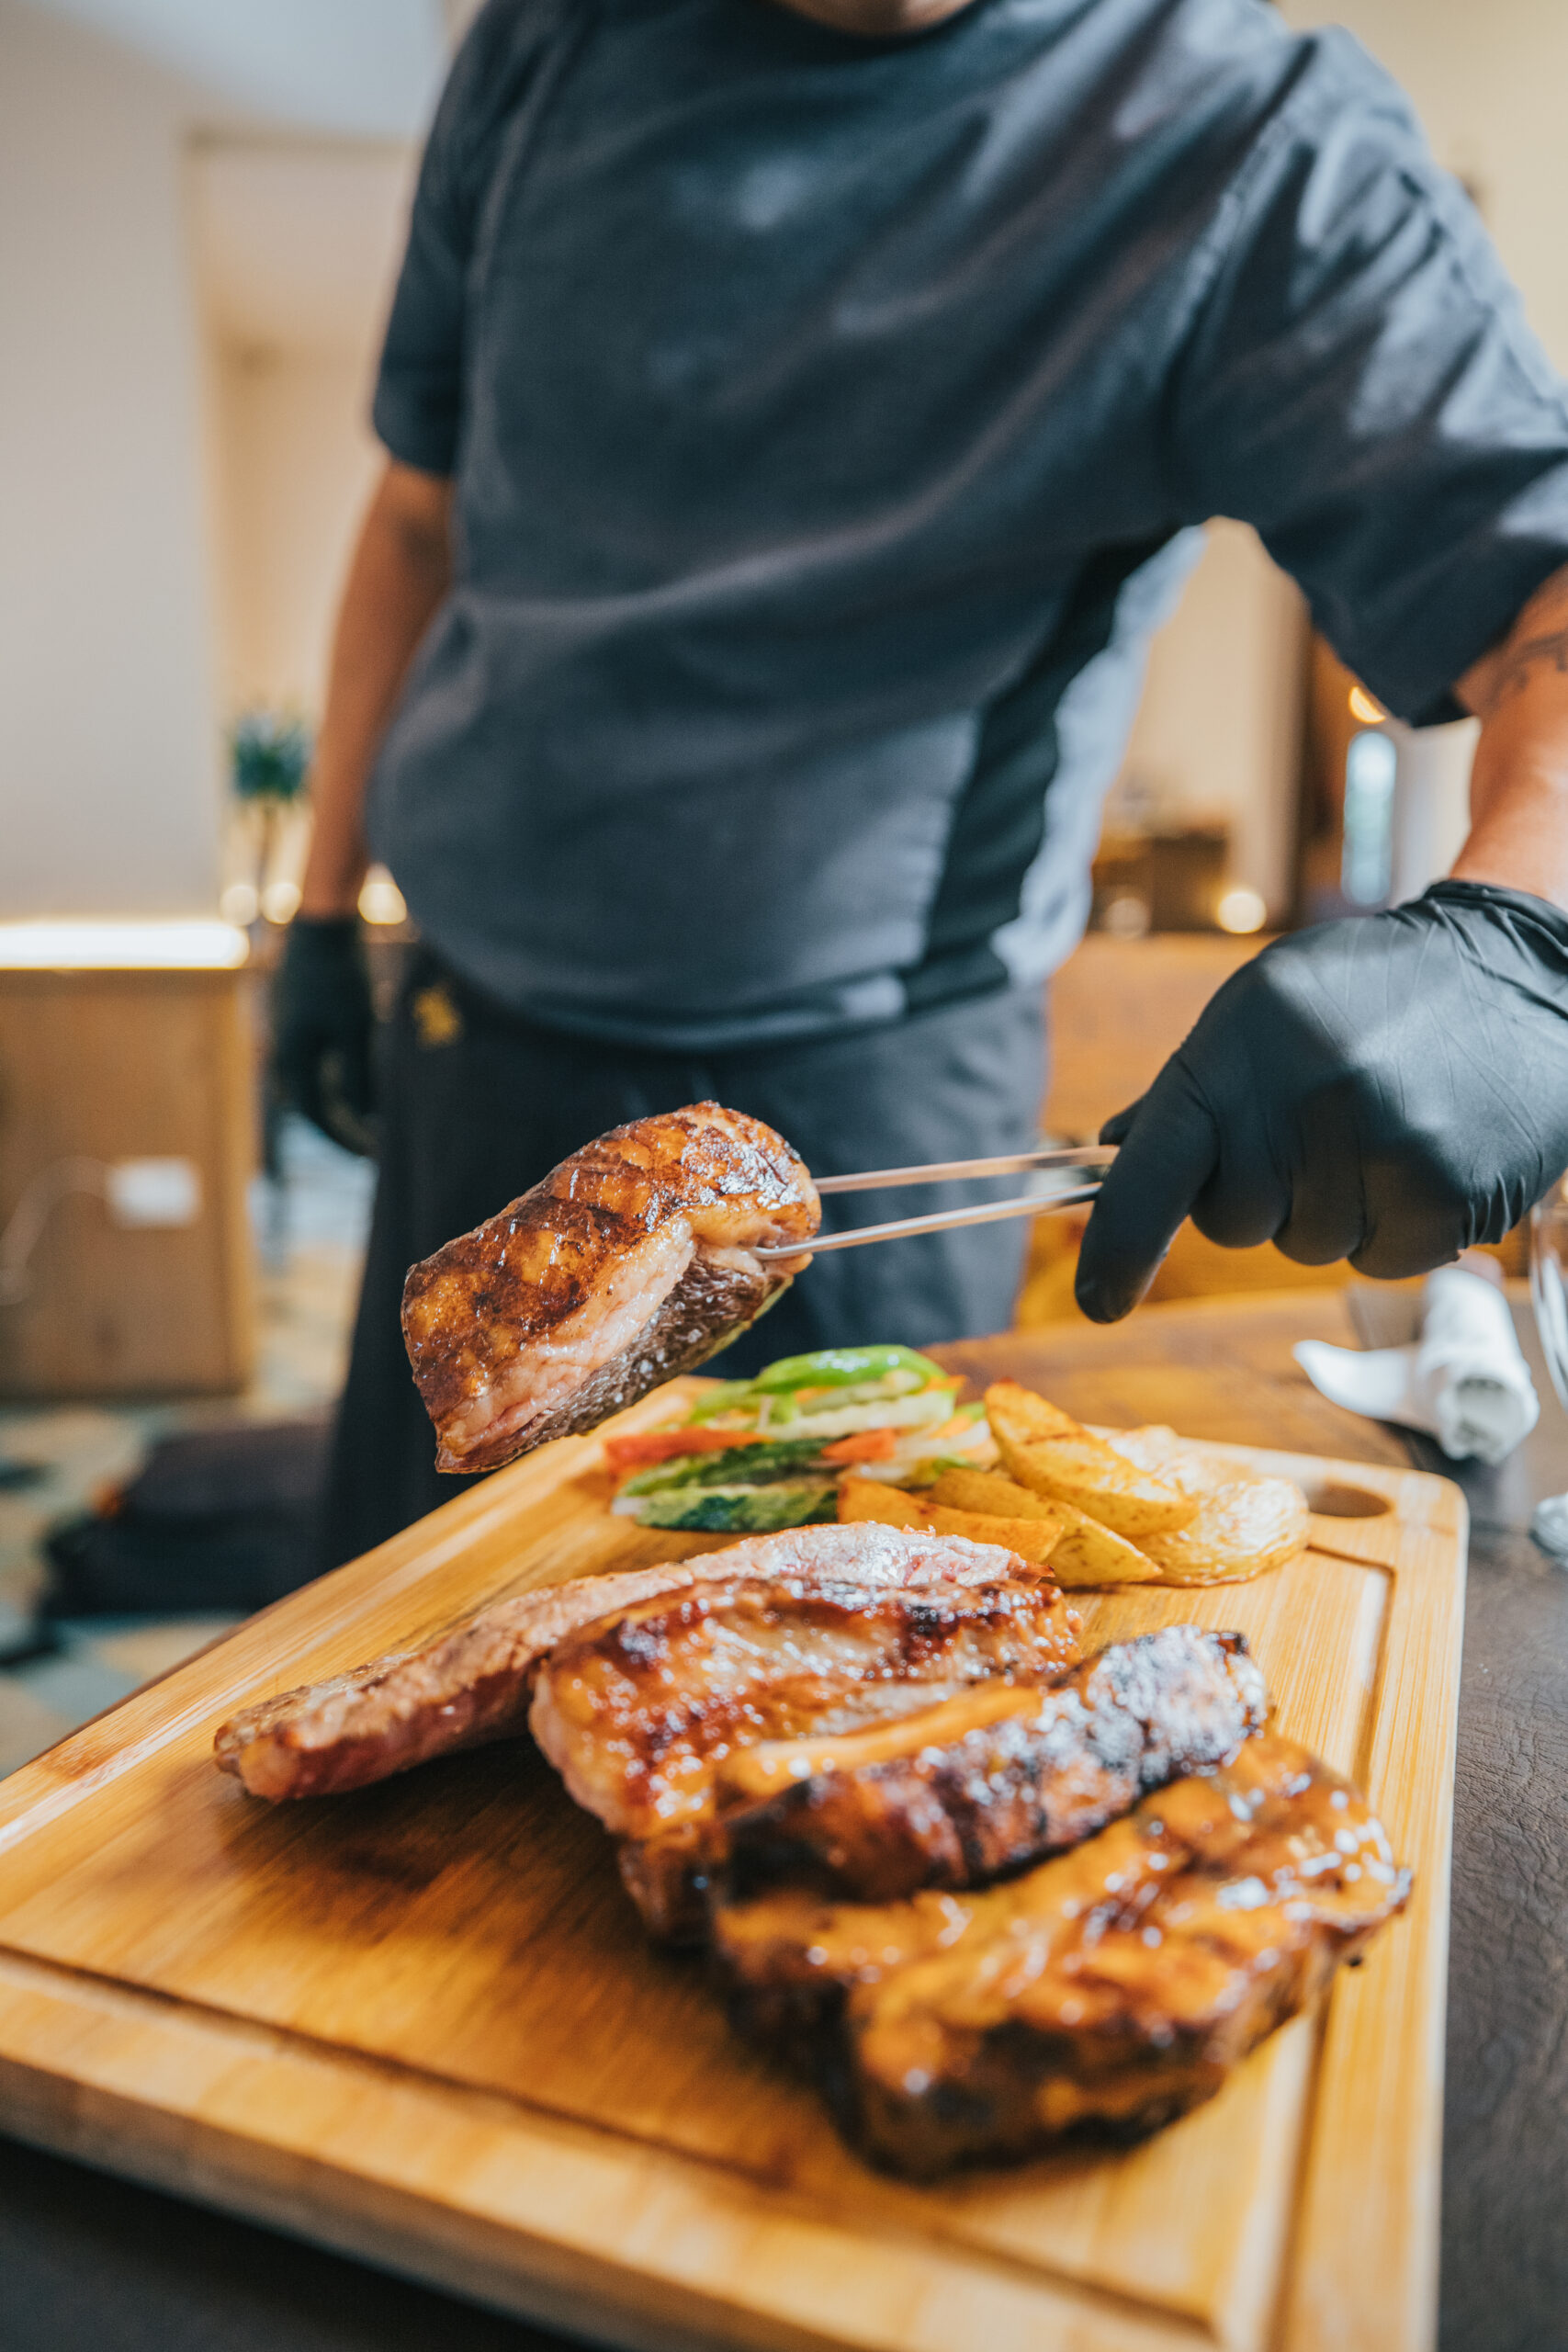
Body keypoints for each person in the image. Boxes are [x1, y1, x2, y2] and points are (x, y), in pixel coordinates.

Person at [276, 0, 1568, 1567]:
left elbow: (1541, 599)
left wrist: (1522, 940)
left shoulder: (1252, 138)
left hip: (863, 1097)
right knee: (384, 1643)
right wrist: (322, 916)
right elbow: (419, 518)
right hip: (473, 1047)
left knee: (835, 1699)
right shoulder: (545, 42)